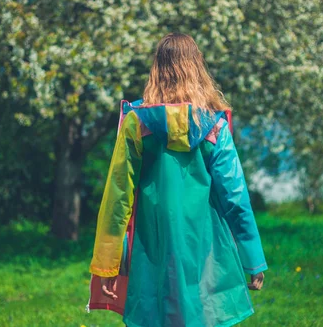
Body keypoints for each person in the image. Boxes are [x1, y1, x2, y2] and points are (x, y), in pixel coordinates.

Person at [86, 32, 267, 327]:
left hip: (151, 243)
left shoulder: (137, 122)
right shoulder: (214, 127)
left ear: (157, 69)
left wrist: (107, 263)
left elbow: (118, 196)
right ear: (197, 68)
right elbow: (235, 198)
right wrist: (253, 258)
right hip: (204, 246)